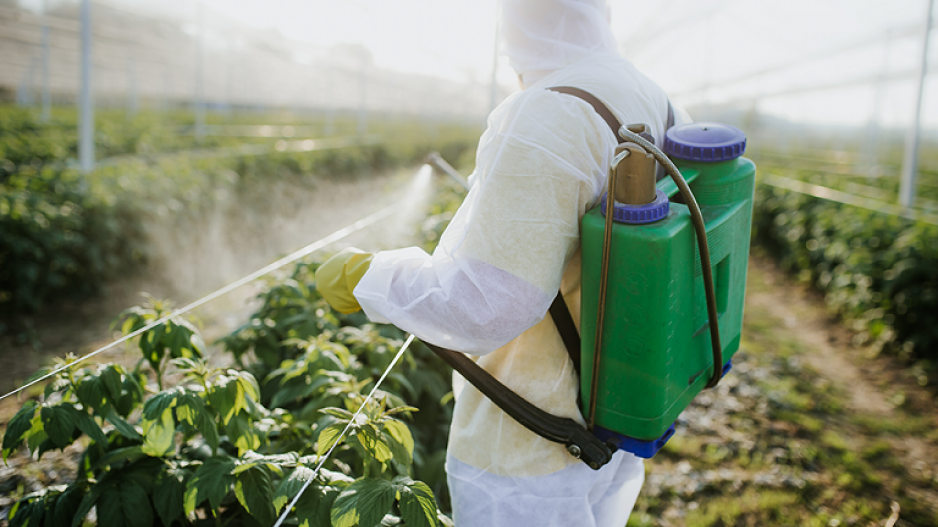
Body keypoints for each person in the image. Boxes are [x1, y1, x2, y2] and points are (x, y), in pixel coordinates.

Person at [315, 1, 688, 525]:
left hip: (529, 447)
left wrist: (371, 278)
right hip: (613, 412)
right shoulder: (649, 94)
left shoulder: (551, 113)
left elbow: (486, 305)